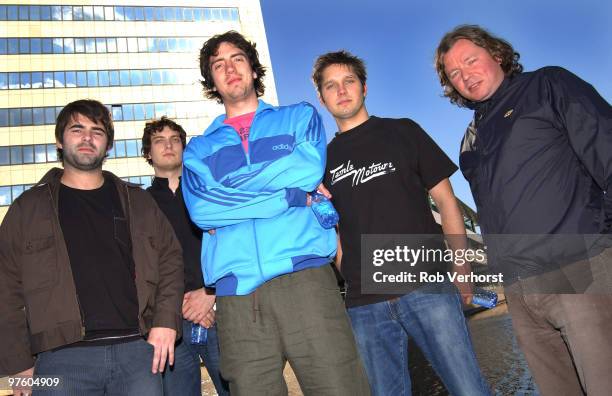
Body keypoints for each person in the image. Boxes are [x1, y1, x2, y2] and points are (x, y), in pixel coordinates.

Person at [181, 31, 369, 396]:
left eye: (236, 58)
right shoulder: (198, 149)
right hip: (237, 297)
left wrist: (232, 194)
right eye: (218, 65)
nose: (229, 68)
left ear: (253, 68)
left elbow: (306, 172)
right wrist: (290, 197)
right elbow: (204, 209)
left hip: (305, 278)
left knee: (341, 387)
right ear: (212, 81)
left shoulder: (299, 117)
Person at [435, 24, 612, 395]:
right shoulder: (469, 138)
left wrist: (599, 243)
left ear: (497, 55)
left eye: (471, 61)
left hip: (577, 269)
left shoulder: (548, 85)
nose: (465, 75)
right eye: (454, 73)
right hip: (520, 291)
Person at [312, 50, 490, 396]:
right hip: (365, 303)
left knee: (469, 388)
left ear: (364, 87)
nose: (342, 90)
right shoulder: (321, 161)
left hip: (427, 288)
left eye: (349, 81)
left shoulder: (403, 131)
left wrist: (461, 263)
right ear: (321, 98)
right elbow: (328, 224)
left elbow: (446, 201)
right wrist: (343, 263)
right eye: (331, 86)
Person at [0, 99, 183, 396]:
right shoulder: (27, 209)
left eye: (97, 131)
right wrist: (17, 364)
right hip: (59, 360)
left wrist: (165, 321)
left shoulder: (139, 202)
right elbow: (5, 289)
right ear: (59, 140)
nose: (87, 138)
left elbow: (171, 260)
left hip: (136, 355)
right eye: (77, 129)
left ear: (108, 145)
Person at [142, 117, 230, 395]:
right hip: (171, 324)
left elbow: (232, 244)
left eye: (174, 139)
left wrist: (210, 292)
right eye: (159, 141)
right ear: (148, 152)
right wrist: (174, 304)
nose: (168, 145)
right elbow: (141, 267)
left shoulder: (209, 192)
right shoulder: (139, 205)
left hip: (221, 313)